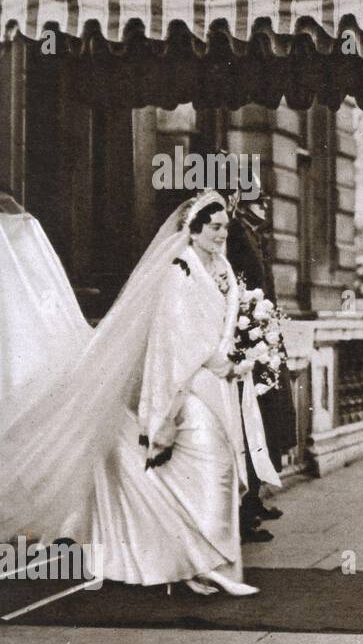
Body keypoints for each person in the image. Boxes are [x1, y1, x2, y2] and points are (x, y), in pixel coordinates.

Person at [0, 190, 280, 596]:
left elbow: (221, 320)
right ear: (195, 229)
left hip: (213, 382)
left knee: (209, 471)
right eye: (215, 227)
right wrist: (217, 362)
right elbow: (175, 337)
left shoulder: (218, 266)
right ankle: (205, 565)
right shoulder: (178, 271)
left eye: (225, 228)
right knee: (212, 467)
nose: (222, 234)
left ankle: (204, 565)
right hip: (186, 386)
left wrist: (240, 349)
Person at [224, 183, 292, 544]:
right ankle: (246, 510)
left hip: (261, 332)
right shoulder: (234, 231)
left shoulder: (249, 232)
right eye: (257, 199)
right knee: (253, 423)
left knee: (265, 422)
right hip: (248, 336)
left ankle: (255, 500)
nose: (265, 205)